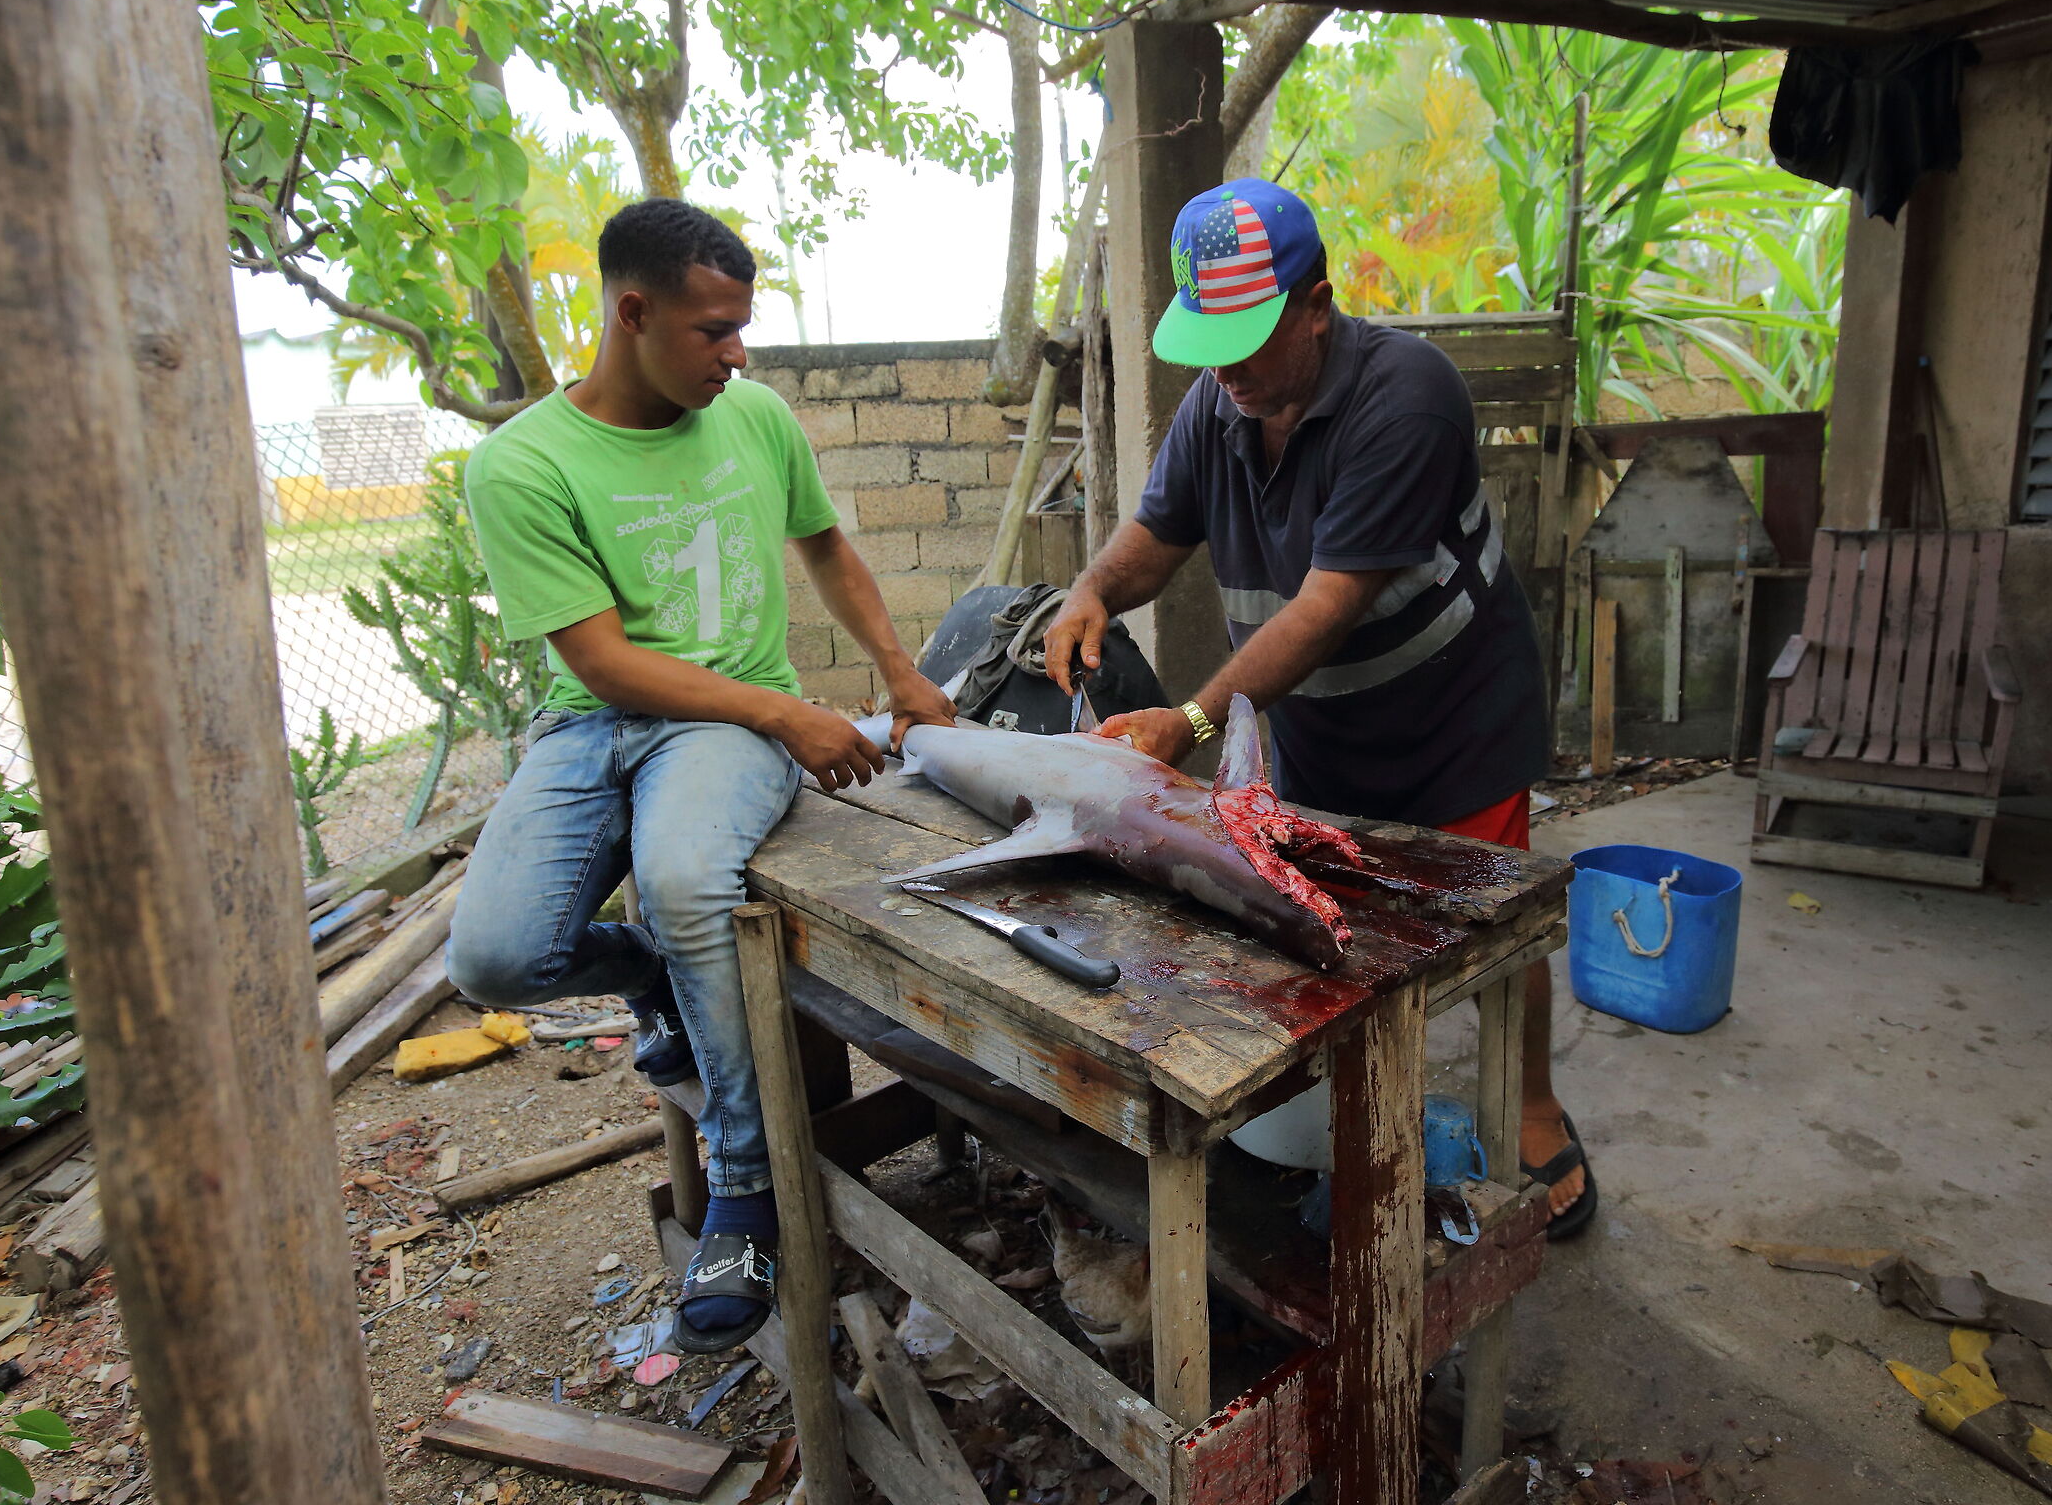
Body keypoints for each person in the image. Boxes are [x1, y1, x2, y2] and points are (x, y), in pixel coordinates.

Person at [446, 199, 956, 1353]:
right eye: (715, 330)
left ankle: (743, 1182)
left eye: (744, 328)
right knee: (492, 958)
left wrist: (900, 673)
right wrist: (793, 711)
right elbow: (603, 660)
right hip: (595, 723)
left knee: (688, 884)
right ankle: (652, 980)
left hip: (716, 730)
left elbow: (824, 542)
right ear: (632, 314)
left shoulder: (758, 418)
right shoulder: (520, 464)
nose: (740, 355)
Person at [1045, 178, 1595, 1238]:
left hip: (1453, 721)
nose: (1229, 367)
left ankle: (1530, 1105)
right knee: (1325, 926)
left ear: (1317, 305)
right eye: (1210, 339)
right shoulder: (1220, 405)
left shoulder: (1409, 396)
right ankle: (1349, 1115)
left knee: (1500, 928)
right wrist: (1094, 588)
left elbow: (1327, 606)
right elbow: (1156, 534)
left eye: (1250, 337)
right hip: (1317, 725)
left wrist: (1191, 724)